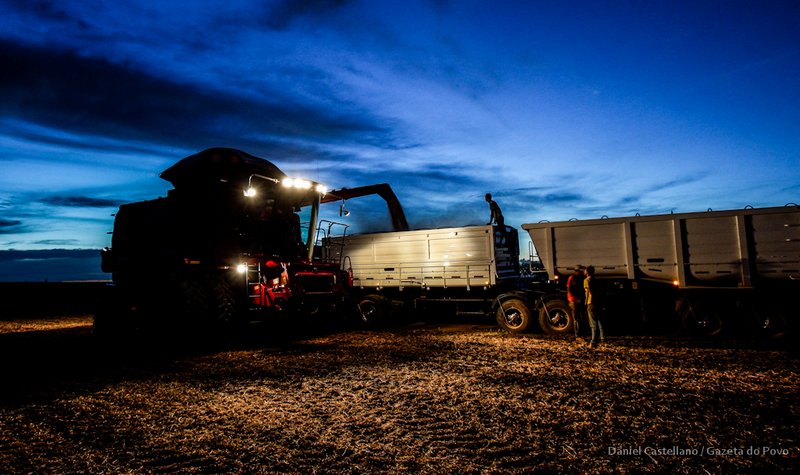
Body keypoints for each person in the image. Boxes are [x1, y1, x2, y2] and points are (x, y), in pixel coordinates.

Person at [583, 265, 605, 348]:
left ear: (587, 272)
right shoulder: (597, 280)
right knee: (599, 320)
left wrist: (586, 302)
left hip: (590, 302)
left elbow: (588, 292)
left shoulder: (586, 280)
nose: (584, 272)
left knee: (593, 322)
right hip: (597, 302)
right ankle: (603, 338)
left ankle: (593, 341)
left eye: (585, 271)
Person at [566, 265, 585, 341]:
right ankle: (577, 334)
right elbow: (570, 289)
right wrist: (574, 299)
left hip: (578, 299)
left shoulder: (580, 278)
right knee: (576, 318)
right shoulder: (573, 278)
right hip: (574, 300)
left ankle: (580, 333)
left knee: (580, 317)